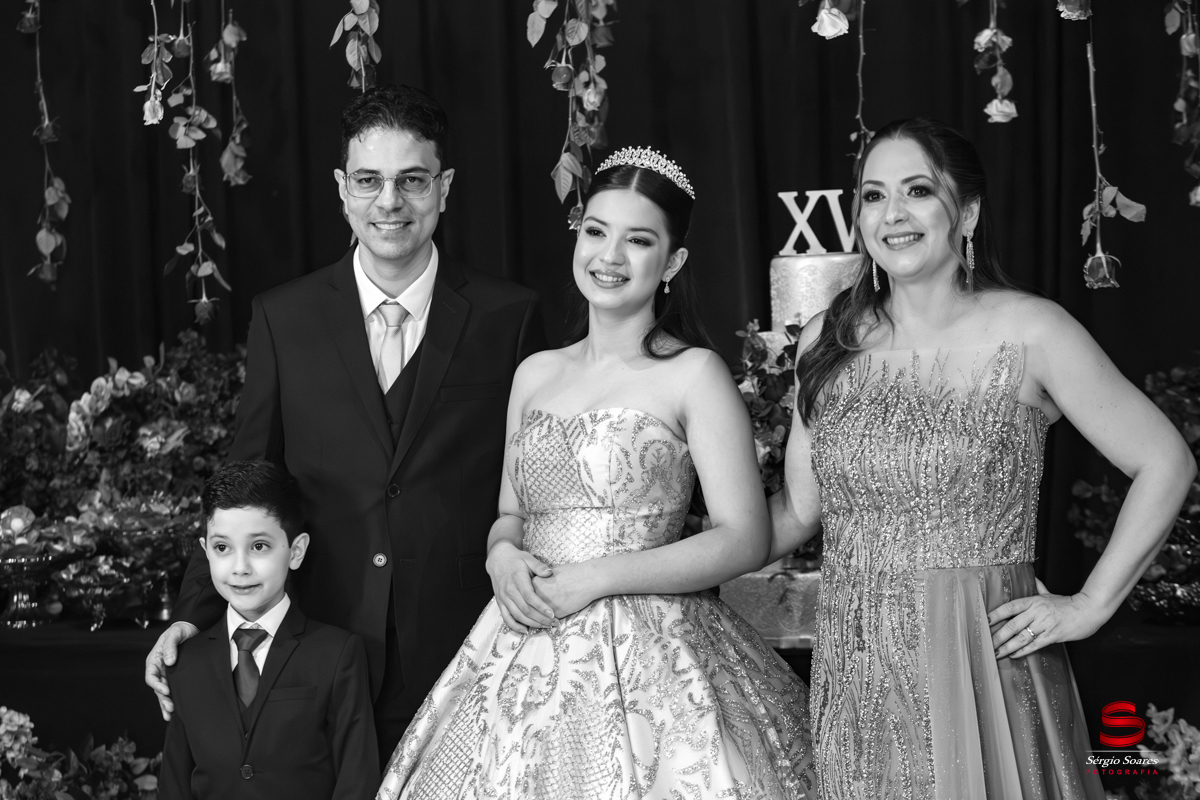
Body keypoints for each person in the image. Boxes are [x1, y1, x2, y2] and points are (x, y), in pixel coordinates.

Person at [769, 117, 1197, 799]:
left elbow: (1165, 462)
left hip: (982, 661)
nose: (892, 213)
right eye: (874, 195)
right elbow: (798, 511)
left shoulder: (1032, 329)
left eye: (917, 191)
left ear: (966, 212)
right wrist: (669, 553)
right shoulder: (829, 336)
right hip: (858, 668)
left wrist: (1090, 605)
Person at [376, 147, 817, 800]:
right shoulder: (536, 373)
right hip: (524, 637)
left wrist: (594, 579)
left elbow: (743, 537)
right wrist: (501, 556)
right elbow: (511, 514)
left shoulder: (693, 374)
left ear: (672, 263)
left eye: (638, 240)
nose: (609, 256)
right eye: (596, 231)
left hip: (654, 653)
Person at [146, 84, 547, 764]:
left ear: (444, 187)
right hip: (320, 644)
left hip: (470, 645)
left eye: (412, 180)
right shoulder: (284, 318)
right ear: (342, 189)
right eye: (369, 180)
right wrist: (193, 615)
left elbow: (533, 486)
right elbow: (248, 479)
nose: (390, 202)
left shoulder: (509, 317)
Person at [159, 460, 377, 800]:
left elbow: (356, 781)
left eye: (259, 546)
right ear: (205, 552)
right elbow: (174, 786)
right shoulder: (186, 662)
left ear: (296, 551)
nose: (240, 567)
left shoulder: (336, 654)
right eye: (222, 548)